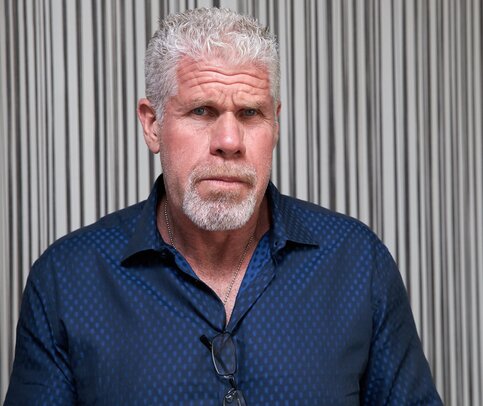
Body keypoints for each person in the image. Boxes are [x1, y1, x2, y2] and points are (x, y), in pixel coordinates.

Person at [5, 7, 442, 405]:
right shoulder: (67, 279)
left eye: (250, 114)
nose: (229, 142)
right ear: (152, 124)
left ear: (275, 124)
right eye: (201, 111)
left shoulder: (357, 262)